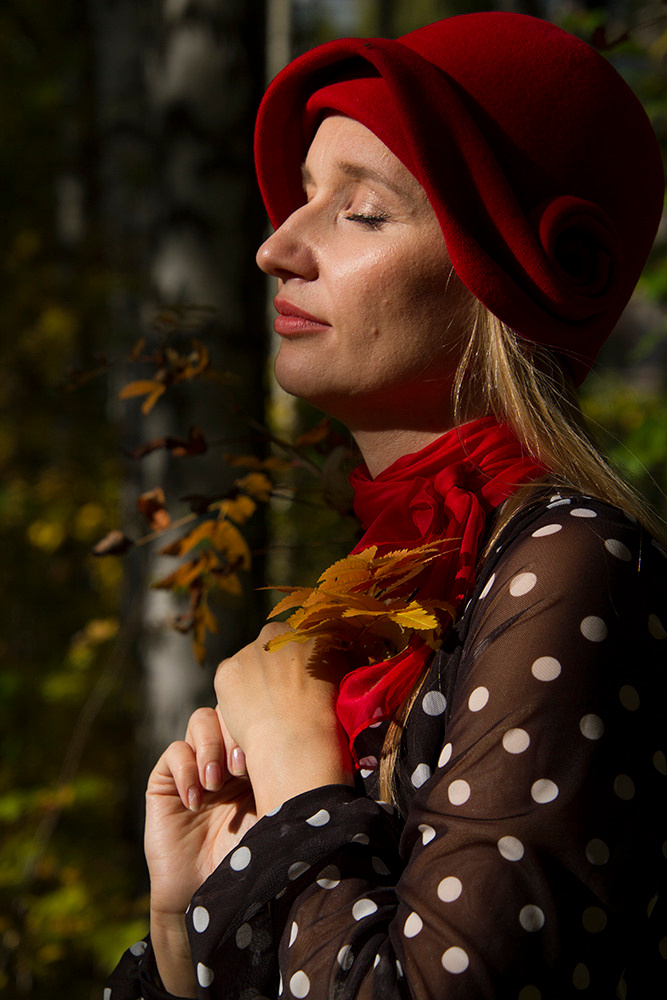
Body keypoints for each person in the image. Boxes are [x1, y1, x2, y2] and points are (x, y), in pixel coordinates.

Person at [106, 12, 667, 999]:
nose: (276, 247)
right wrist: (181, 932)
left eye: (360, 211)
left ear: (504, 276)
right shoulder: (373, 603)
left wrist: (295, 785)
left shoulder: (570, 566)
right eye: (301, 200)